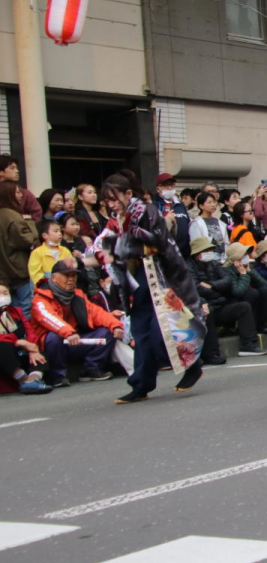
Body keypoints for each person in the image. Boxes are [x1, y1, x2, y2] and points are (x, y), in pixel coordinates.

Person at [88, 170, 206, 404]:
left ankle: (193, 364)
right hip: (136, 278)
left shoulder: (147, 211)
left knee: (160, 330)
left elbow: (158, 244)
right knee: (141, 331)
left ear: (128, 193)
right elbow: (105, 244)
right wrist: (91, 256)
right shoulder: (116, 218)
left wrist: (119, 249)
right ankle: (140, 384)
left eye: (115, 198)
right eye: (108, 200)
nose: (112, 204)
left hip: (160, 276)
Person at [30, 259, 123, 387]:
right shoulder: (40, 299)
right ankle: (57, 376)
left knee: (108, 331)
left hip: (74, 340)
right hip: (53, 344)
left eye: (73, 275)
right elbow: (49, 318)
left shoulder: (77, 295)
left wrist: (116, 325)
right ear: (54, 278)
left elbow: (96, 312)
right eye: (66, 275)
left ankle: (90, 369)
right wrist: (68, 332)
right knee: (54, 337)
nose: (71, 279)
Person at [187, 236, 260, 360]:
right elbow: (196, 289)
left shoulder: (214, 264)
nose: (209, 253)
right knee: (206, 309)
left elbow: (227, 281)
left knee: (244, 307)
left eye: (210, 250)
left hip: (220, 304)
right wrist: (217, 291)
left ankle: (248, 345)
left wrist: (212, 286)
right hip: (204, 306)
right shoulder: (189, 267)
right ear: (197, 254)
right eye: (206, 251)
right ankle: (212, 354)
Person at [0, 283, 51, 394]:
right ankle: (23, 379)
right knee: (2, 347)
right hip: (6, 355)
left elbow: (29, 331)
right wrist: (18, 341)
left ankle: (32, 380)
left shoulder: (16, 311)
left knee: (41, 354)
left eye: (5, 293)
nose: (3, 297)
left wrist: (32, 347)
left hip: (20, 351)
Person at [0, 181, 36, 318]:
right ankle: (27, 336)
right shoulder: (13, 217)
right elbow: (28, 240)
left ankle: (15, 336)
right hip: (19, 270)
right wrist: (29, 222)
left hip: (4, 273)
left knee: (10, 310)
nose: (21, 195)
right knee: (26, 308)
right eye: (17, 192)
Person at [152, 173, 191, 251]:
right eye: (166, 185)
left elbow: (187, 223)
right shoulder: (155, 205)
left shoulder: (179, 204)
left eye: (172, 185)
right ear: (158, 189)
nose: (170, 188)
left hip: (184, 251)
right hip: (167, 252)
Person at [188, 191, 230, 261]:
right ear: (201, 206)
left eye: (214, 202)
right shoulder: (196, 223)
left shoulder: (220, 222)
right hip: (206, 259)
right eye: (209, 202)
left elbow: (226, 242)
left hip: (222, 259)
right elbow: (196, 245)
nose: (213, 205)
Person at [0, 156, 42, 221]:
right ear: (1, 172)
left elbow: (37, 215)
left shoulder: (25, 193)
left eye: (16, 168)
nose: (17, 171)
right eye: (12, 168)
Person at [28, 219, 69, 285]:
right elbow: (35, 274)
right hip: (45, 288)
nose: (59, 233)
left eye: (60, 231)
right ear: (45, 235)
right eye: (56, 231)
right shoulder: (37, 253)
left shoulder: (65, 251)